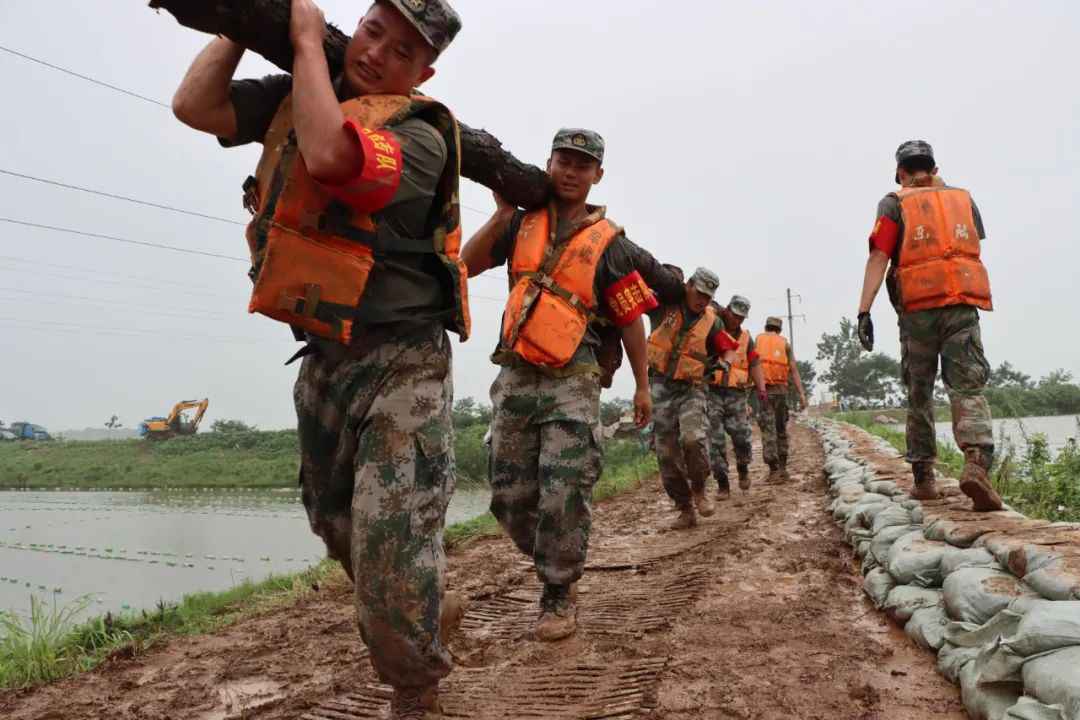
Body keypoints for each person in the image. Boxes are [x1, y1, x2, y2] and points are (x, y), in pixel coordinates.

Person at [172, 1, 468, 716]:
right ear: (356, 23)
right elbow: (194, 106)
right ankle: (426, 599)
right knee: (337, 527)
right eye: (373, 30)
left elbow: (335, 158)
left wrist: (305, 39)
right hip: (325, 362)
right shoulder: (297, 97)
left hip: (405, 362)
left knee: (391, 546)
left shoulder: (423, 135)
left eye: (401, 50)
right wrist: (239, 26)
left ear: (421, 72)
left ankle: (416, 689)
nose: (375, 54)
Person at [462, 129, 676, 642]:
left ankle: (558, 590)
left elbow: (630, 322)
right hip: (515, 374)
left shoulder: (610, 247)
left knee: (564, 490)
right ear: (550, 163)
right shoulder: (519, 224)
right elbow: (465, 265)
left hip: (574, 379)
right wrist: (499, 212)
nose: (571, 170)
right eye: (564, 160)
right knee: (509, 497)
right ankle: (553, 557)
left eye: (583, 164)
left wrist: (643, 387)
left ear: (597, 174)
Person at [856, 140, 1002, 511]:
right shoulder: (963, 199)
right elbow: (971, 242)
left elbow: (879, 256)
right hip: (961, 305)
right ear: (935, 170)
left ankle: (924, 479)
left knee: (919, 392)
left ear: (901, 173)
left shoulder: (894, 202)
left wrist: (864, 310)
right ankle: (975, 463)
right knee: (967, 388)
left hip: (918, 311)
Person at [647, 269, 738, 529]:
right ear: (687, 286)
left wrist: (725, 364)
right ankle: (685, 508)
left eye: (708, 297)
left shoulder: (712, 321)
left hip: (692, 387)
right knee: (666, 452)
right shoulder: (663, 305)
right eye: (699, 294)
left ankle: (699, 489)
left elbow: (729, 349)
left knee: (693, 438)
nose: (702, 300)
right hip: (661, 385)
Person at [707, 295, 767, 499]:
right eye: (734, 315)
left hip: (736, 393)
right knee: (714, 441)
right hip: (711, 391)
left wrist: (761, 389)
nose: (737, 320)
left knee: (741, 435)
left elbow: (755, 363)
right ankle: (722, 484)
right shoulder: (712, 328)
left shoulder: (745, 338)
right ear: (727, 310)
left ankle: (743, 468)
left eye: (741, 317)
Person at [756, 317, 808, 482]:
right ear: (779, 330)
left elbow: (751, 365)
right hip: (781, 392)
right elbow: (793, 370)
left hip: (764, 392)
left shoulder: (758, 340)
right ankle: (783, 469)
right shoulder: (785, 344)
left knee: (767, 430)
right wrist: (801, 394)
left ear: (766, 327)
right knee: (780, 430)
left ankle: (773, 470)